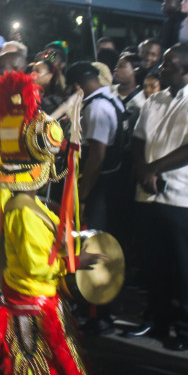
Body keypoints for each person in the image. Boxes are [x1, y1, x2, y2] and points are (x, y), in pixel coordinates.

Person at [0, 71, 96, 375]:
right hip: (31, 298)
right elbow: (38, 265)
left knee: (7, 354)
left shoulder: (23, 205)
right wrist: (76, 261)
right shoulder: (25, 210)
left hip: (22, 293)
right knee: (39, 360)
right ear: (41, 169)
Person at [126, 44, 188, 351]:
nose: (161, 69)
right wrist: (143, 170)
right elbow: (138, 139)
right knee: (154, 264)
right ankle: (157, 319)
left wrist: (153, 169)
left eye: (169, 65)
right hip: (150, 196)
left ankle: (186, 328)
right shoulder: (155, 99)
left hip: (186, 198)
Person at [65, 62, 124, 335]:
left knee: (93, 245)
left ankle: (99, 313)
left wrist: (84, 194)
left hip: (99, 188)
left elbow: (97, 156)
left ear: (78, 85)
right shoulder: (109, 98)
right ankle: (93, 309)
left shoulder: (98, 108)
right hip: (105, 186)